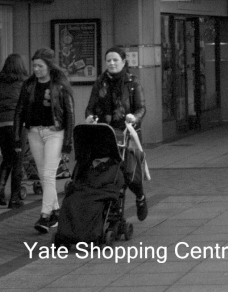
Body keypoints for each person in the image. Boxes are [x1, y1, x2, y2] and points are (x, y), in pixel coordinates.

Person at [13, 48, 74, 233]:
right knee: (43, 175)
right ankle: (56, 211)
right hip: (34, 133)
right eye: (34, 66)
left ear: (49, 66)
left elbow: (69, 114)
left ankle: (45, 215)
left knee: (48, 175)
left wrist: (68, 142)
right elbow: (19, 111)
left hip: (55, 133)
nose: (36, 69)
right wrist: (17, 137)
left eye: (40, 66)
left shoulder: (60, 85)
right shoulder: (28, 85)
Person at [84, 46, 149, 221]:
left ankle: (140, 197)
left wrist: (134, 117)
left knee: (130, 174)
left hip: (128, 133)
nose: (111, 63)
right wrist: (90, 117)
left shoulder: (132, 82)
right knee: (107, 172)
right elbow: (90, 107)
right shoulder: (100, 82)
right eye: (108, 60)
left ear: (123, 62)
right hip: (105, 133)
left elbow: (141, 108)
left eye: (115, 60)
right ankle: (111, 207)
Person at [0, 54, 28, 208]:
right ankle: (15, 198)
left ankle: (0, 193)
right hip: (17, 125)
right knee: (18, 160)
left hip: (1, 124)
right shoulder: (24, 82)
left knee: (7, 159)